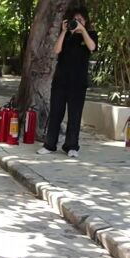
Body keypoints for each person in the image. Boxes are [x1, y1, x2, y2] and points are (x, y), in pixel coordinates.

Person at [37, 6, 98, 158]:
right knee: (56, 114)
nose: (77, 22)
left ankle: (72, 146)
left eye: (80, 20)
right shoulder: (65, 35)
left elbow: (92, 47)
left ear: (85, 21)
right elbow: (56, 50)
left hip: (78, 83)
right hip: (60, 81)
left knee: (75, 116)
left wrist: (83, 31)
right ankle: (49, 145)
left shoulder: (90, 34)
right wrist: (64, 31)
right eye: (75, 20)